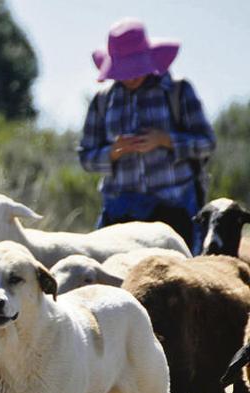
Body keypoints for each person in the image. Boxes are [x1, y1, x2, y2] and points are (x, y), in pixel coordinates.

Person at [78, 18, 215, 253]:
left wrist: (166, 140)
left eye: (134, 69)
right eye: (124, 70)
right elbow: (85, 156)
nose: (130, 77)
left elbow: (206, 143)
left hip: (176, 209)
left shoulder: (177, 90)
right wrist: (112, 152)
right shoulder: (103, 100)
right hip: (120, 213)